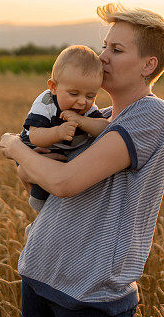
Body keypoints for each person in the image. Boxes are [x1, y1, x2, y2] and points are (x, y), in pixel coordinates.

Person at [0, 3, 164, 317]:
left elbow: (62, 182)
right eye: (104, 46)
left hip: (90, 294)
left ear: (148, 64)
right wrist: (30, 162)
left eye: (116, 49)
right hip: (40, 275)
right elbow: (31, 178)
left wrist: (14, 146)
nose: (102, 57)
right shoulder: (93, 115)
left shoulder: (153, 114)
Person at [19, 45, 109, 212]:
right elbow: (35, 136)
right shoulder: (45, 103)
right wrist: (58, 132)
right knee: (42, 196)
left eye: (90, 96)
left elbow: (104, 129)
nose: (82, 101)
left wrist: (81, 120)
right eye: (74, 94)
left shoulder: (86, 110)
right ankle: (40, 213)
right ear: (53, 87)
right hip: (37, 148)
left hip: (63, 152)